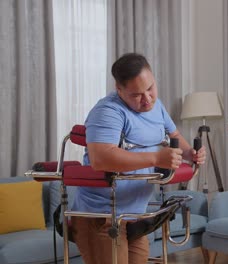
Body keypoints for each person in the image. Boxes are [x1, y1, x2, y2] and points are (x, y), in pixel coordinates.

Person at [70, 53, 206, 264]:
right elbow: (101, 158)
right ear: (119, 89)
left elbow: (175, 136)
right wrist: (155, 158)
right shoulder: (108, 111)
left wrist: (189, 153)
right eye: (136, 95)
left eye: (150, 88)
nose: (147, 99)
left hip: (134, 215)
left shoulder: (156, 106)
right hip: (103, 217)